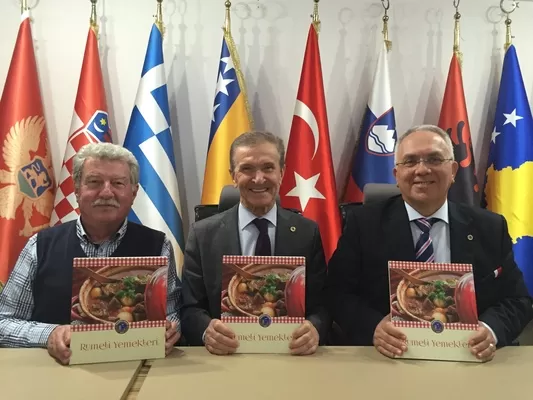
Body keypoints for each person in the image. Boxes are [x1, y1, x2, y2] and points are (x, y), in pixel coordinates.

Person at [327, 124, 533, 362]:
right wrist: (374, 327)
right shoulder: (363, 224)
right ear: (396, 174)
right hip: (390, 357)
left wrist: (490, 329)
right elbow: (337, 293)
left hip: (467, 358)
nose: (422, 170)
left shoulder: (489, 228)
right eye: (410, 161)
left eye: (434, 159)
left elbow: (517, 299)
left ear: (453, 170)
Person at [0, 143, 181, 364]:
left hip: (134, 369)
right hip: (56, 373)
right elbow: (3, 322)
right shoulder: (40, 246)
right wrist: (49, 334)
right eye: (95, 182)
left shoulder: (158, 245)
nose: (106, 192)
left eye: (118, 183)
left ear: (133, 193)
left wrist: (171, 330)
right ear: (77, 189)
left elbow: (172, 314)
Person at [181, 131, 330, 355]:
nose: (259, 179)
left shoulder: (307, 233)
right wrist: (206, 332)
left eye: (268, 168)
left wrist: (315, 328)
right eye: (247, 169)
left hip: (291, 355)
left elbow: (323, 303)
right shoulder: (203, 235)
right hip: (225, 357)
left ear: (282, 173)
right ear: (233, 176)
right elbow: (189, 307)